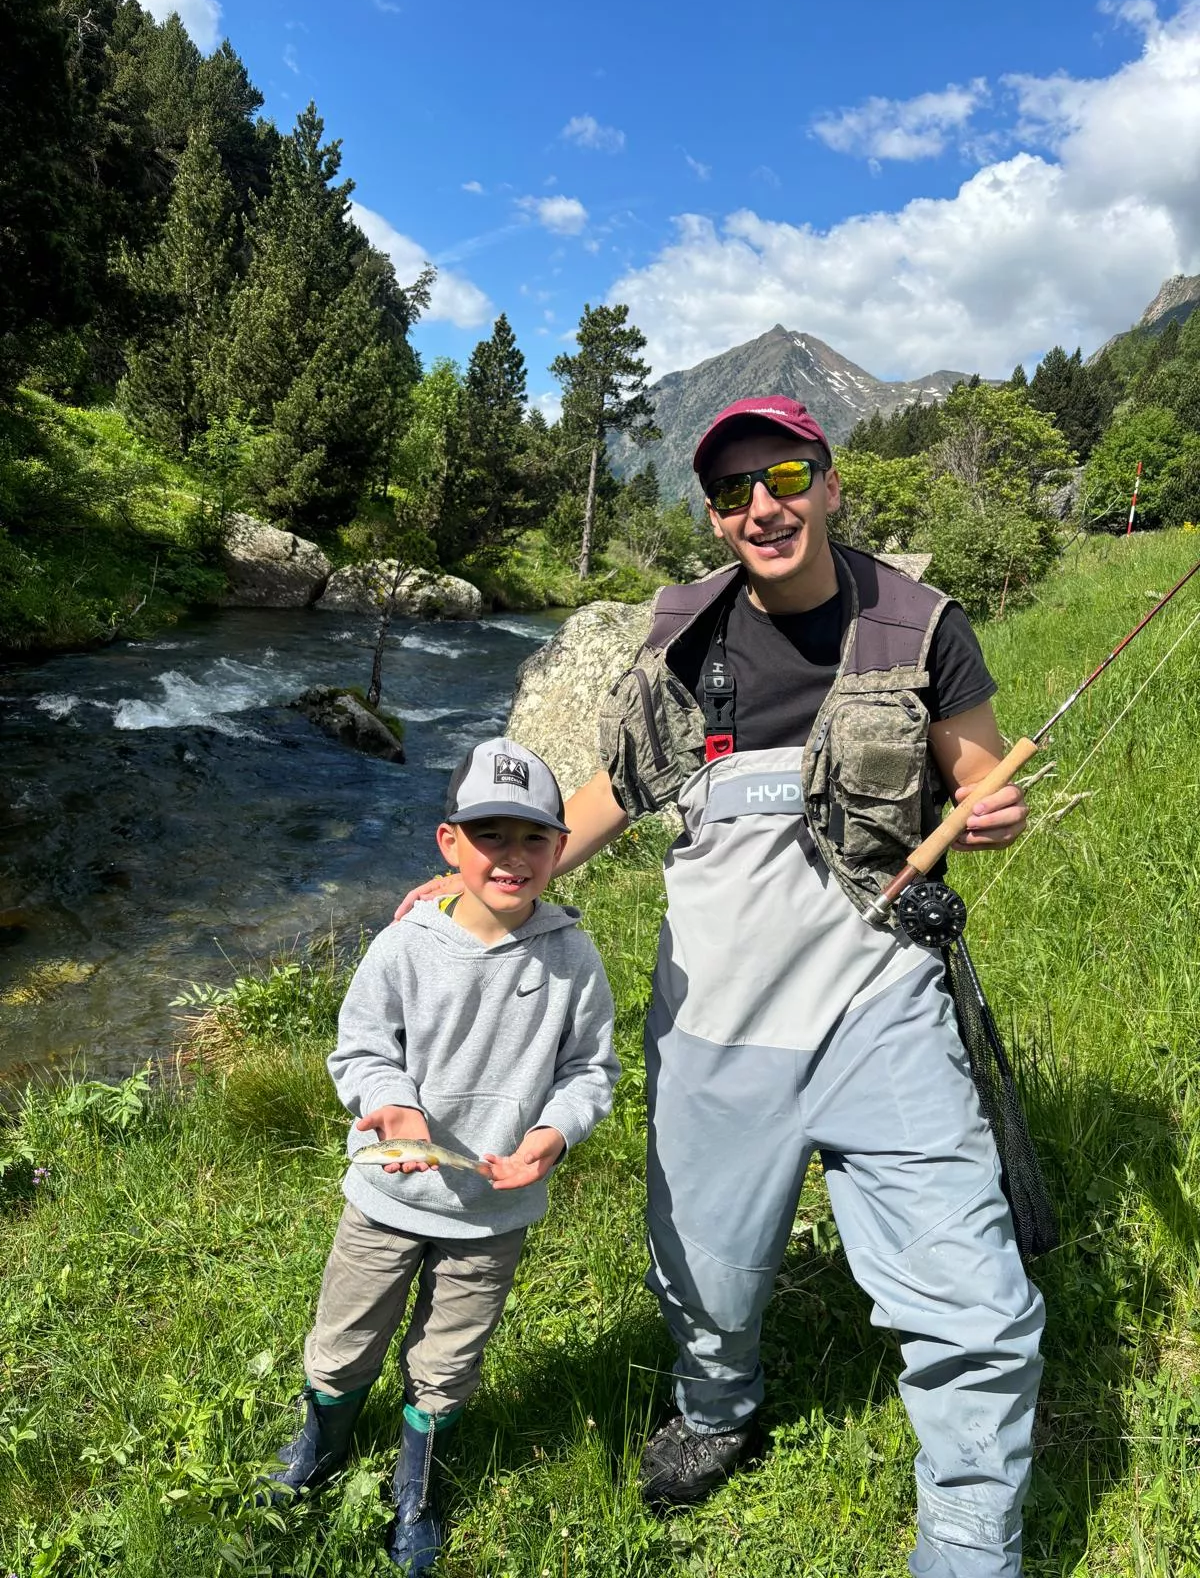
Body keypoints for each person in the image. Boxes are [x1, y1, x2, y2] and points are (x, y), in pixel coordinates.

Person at [398, 397, 1044, 1578]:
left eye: (785, 475)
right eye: (734, 489)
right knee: (706, 1274)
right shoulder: (682, 635)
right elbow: (613, 789)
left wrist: (997, 811)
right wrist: (484, 883)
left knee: (979, 1310)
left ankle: (968, 1544)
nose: (763, 505)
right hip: (714, 1021)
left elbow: (980, 780)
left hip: (882, 1012)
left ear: (830, 484)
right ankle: (715, 1407)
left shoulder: (924, 625)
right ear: (713, 514)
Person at [272, 737, 619, 1575]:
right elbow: (362, 1048)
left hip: (493, 1211)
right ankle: (322, 1443)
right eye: (489, 835)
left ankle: (416, 1486)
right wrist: (391, 1105)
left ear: (561, 848)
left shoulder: (573, 958)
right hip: (389, 1199)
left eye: (533, 838)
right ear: (449, 843)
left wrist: (552, 1137)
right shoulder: (404, 946)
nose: (512, 856)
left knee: (449, 1357)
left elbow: (589, 1071)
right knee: (345, 1337)